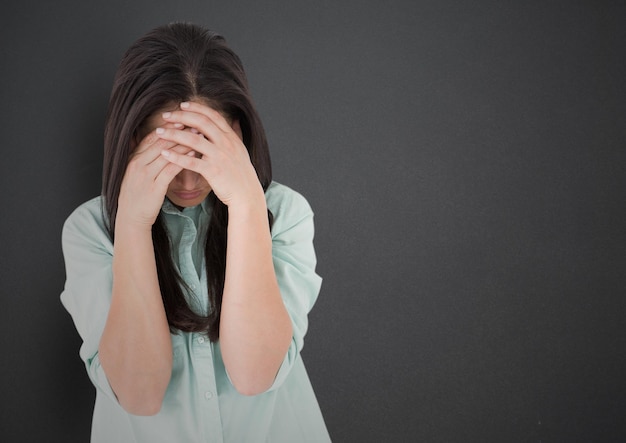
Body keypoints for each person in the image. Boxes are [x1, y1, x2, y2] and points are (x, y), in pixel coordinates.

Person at [60, 22, 330, 442]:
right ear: (132, 139)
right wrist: (132, 224)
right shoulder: (91, 230)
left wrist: (245, 205)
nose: (188, 182)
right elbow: (139, 395)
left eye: (204, 151)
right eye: (169, 155)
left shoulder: (284, 213)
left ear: (237, 133)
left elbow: (256, 375)